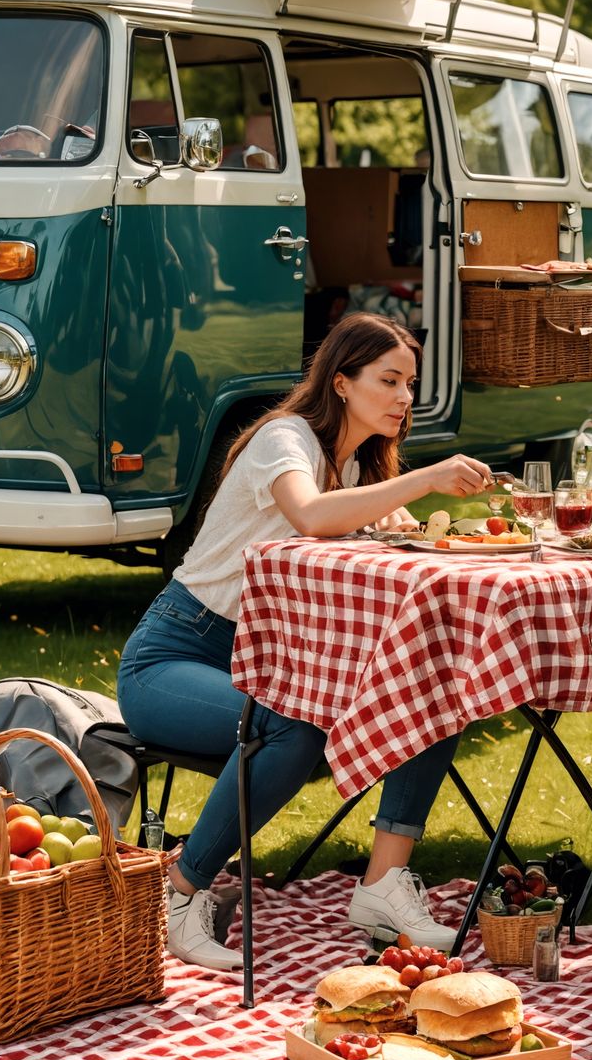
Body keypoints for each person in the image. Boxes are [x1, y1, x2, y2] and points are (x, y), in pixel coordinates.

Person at [118, 314, 495, 971]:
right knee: (292, 726)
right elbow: (311, 516)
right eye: (389, 380)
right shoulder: (284, 439)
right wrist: (426, 478)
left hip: (269, 662)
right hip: (177, 657)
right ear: (342, 382)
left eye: (410, 383)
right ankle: (177, 894)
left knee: (436, 689)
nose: (405, 397)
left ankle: (382, 885)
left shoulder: (358, 469)